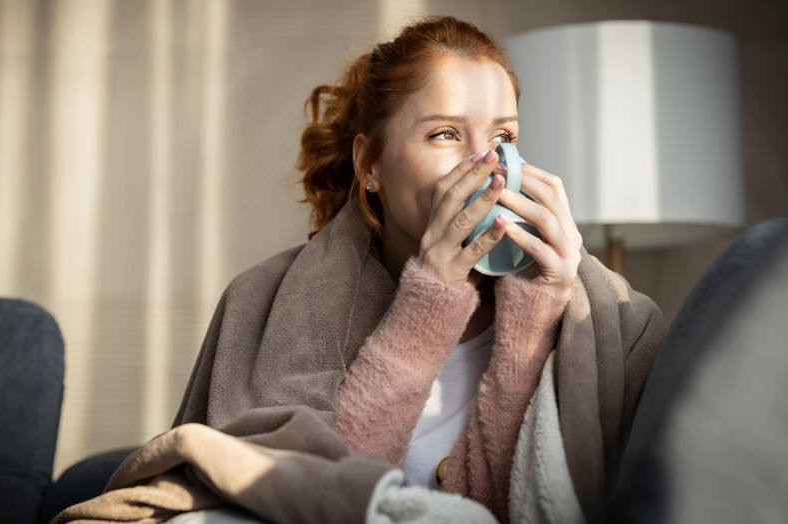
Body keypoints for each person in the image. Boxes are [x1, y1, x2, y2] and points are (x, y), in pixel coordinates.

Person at [53, 15, 665, 524]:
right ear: (369, 163)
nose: (488, 165)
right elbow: (310, 501)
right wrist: (428, 305)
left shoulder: (607, 317)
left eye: (503, 135)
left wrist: (540, 310)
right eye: (446, 133)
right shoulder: (263, 300)